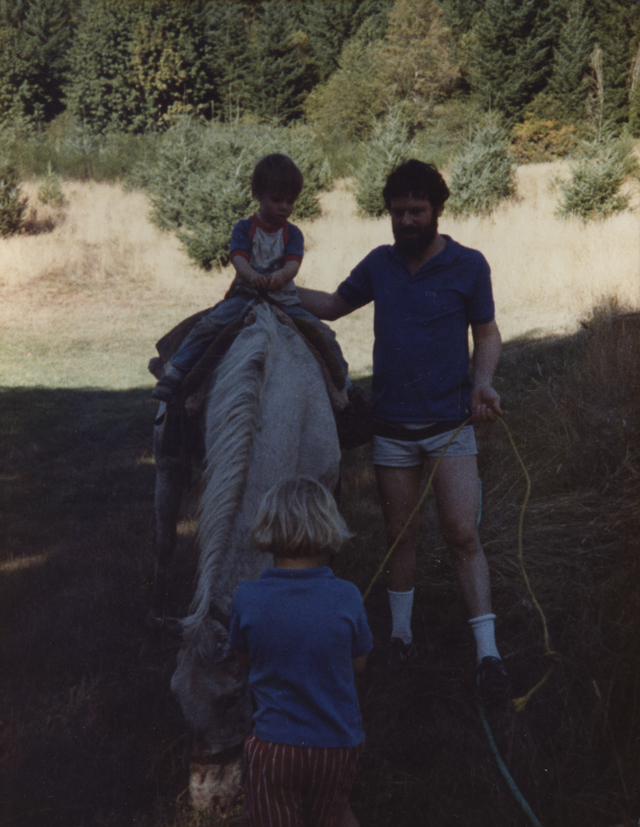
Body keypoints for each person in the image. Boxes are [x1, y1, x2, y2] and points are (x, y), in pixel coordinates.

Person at [296, 159, 511, 701]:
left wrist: (482, 384)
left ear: (437, 210)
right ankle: (402, 637)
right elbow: (333, 306)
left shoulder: (469, 265)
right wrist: (275, 289)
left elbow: (487, 335)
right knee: (401, 535)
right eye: (398, 212)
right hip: (391, 430)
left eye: (417, 211)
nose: (407, 221)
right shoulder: (379, 265)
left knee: (463, 533)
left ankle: (488, 654)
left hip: (450, 427)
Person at [229, 476, 372, 827]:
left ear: (267, 528)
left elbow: (244, 659)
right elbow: (360, 663)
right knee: (333, 814)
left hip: (275, 747)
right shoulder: (348, 594)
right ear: (329, 527)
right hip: (338, 745)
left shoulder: (246, 596)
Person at [152, 153, 348, 402]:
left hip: (284, 299)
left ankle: (344, 389)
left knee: (324, 334)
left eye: (290, 201)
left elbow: (293, 265)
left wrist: (281, 276)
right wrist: (251, 276)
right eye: (276, 199)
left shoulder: (293, 233)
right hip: (246, 296)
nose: (284, 207)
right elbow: (238, 258)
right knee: (209, 325)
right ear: (257, 194)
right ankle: (175, 371)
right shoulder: (244, 228)